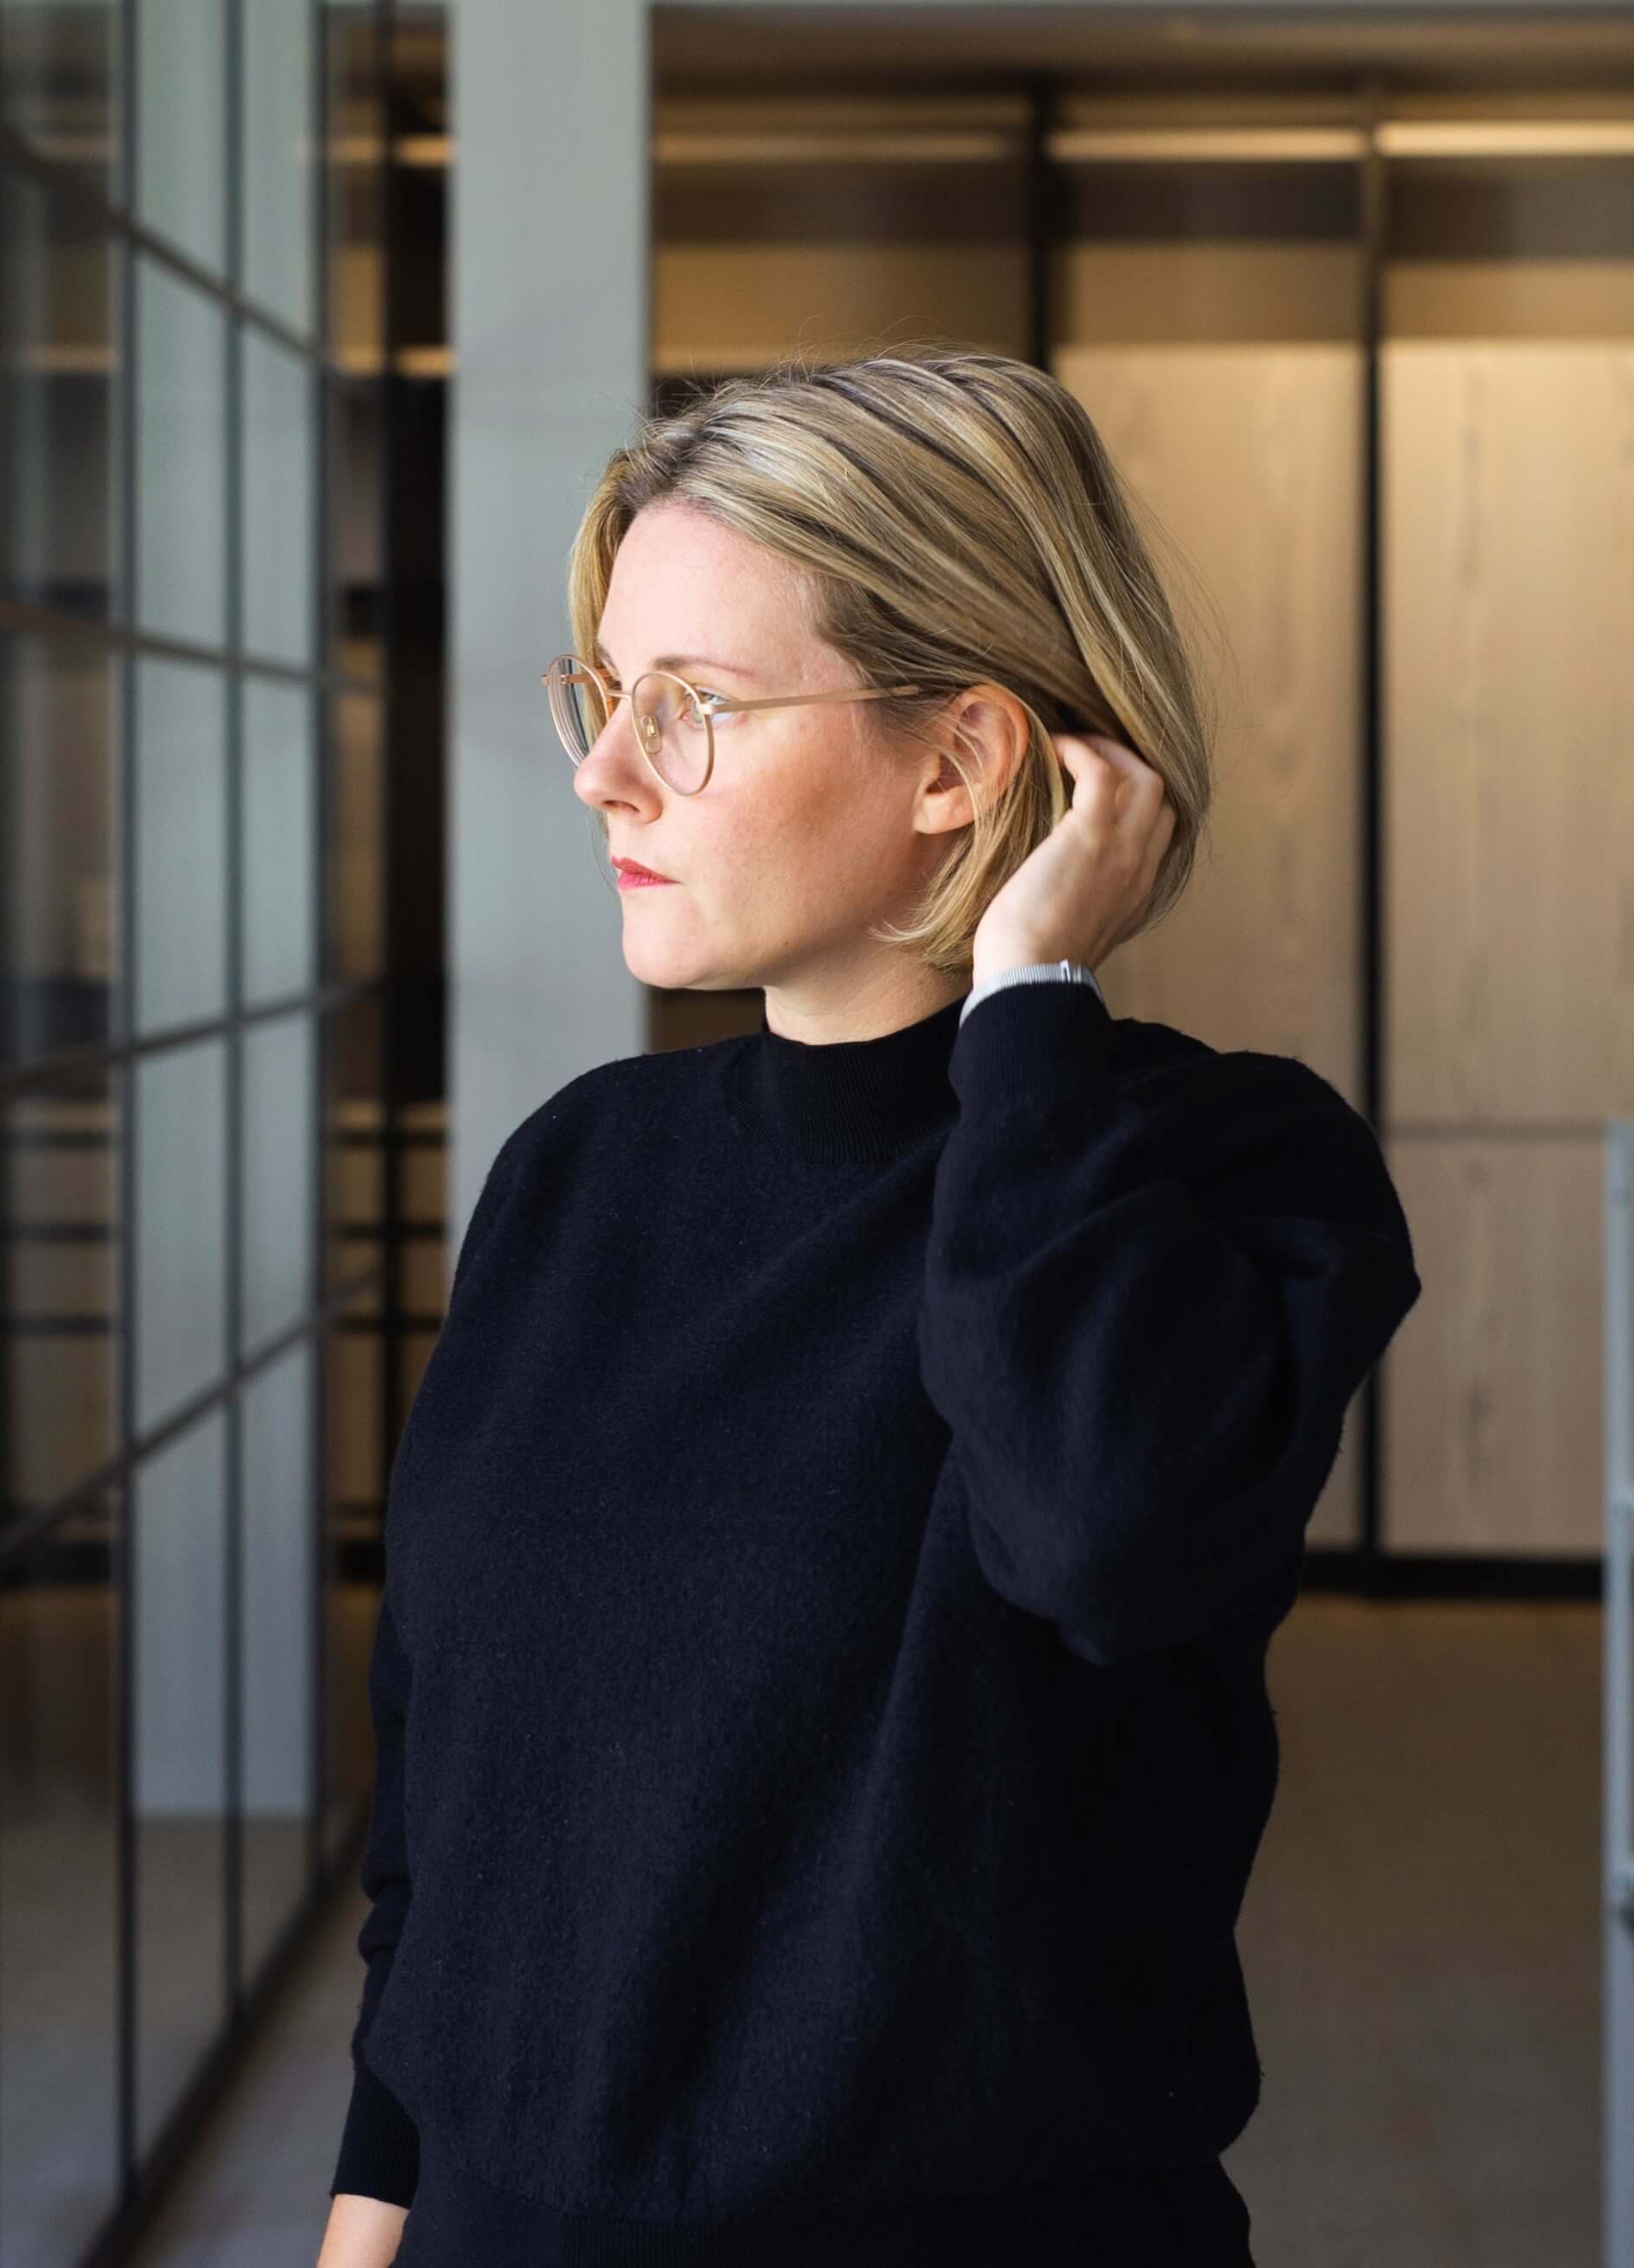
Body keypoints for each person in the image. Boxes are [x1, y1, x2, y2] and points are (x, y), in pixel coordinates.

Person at [315, 346, 1422, 2268]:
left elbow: (1101, 1534)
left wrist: (1028, 1008)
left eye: (694, 707)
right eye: (603, 692)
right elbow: (454, 1786)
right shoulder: (579, 1171)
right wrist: (371, 2196)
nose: (601, 769)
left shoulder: (1229, 1173)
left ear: (963, 760)